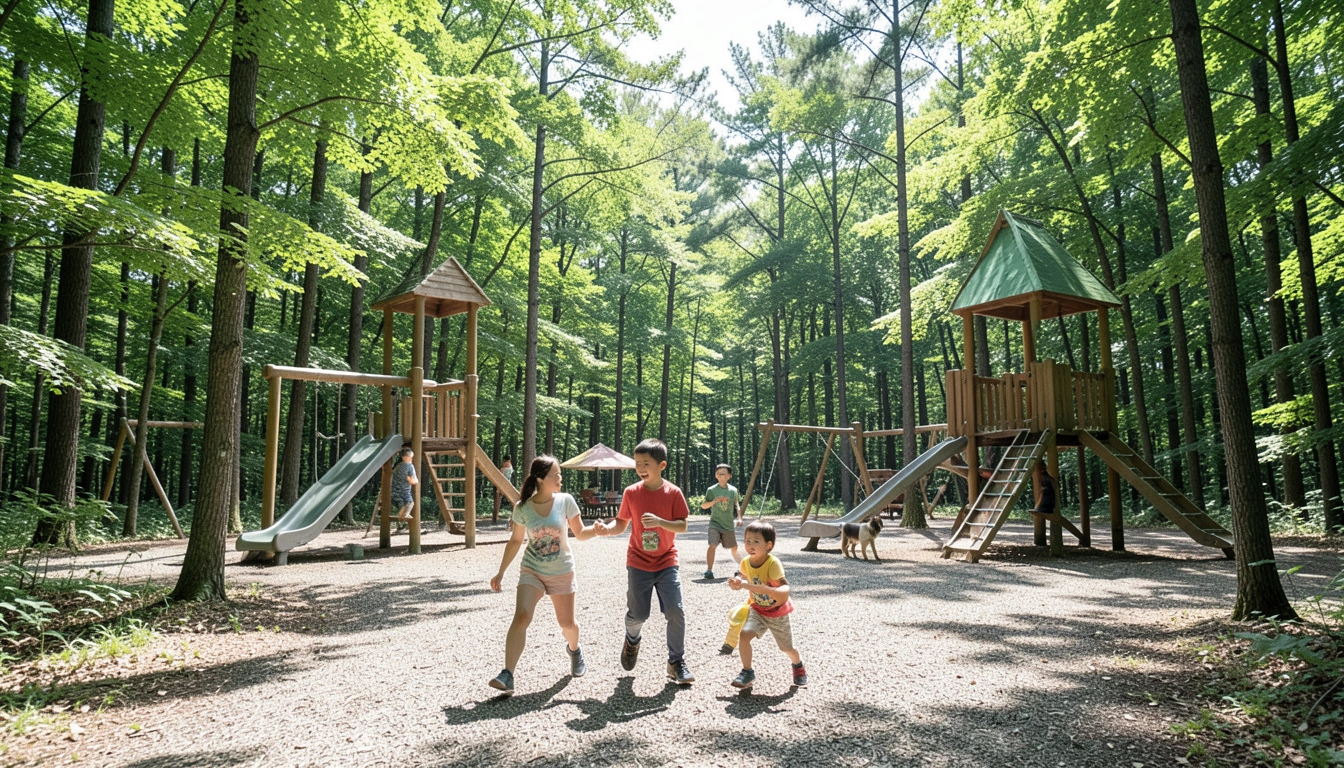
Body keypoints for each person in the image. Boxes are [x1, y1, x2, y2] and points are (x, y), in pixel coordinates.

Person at [487, 455, 600, 695]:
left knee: (567, 624)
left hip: (561, 570)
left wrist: (599, 530)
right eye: (555, 475)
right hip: (532, 570)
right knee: (522, 616)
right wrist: (501, 572)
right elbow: (516, 540)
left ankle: (575, 649)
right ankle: (507, 674)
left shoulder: (566, 501)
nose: (560, 478)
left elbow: (580, 533)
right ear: (540, 478)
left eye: (559, 474)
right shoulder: (523, 507)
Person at [595, 438, 694, 685]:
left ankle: (676, 662)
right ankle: (632, 639)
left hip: (667, 561)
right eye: (637, 463)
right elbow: (621, 523)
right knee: (639, 615)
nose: (640, 468)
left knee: (675, 611)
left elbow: (683, 525)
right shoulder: (631, 492)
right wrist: (607, 529)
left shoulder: (673, 493)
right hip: (638, 562)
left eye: (645, 463)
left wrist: (661, 522)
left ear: (662, 465)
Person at [728, 520, 807, 690]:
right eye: (747, 540)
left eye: (756, 541)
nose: (750, 545)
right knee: (744, 635)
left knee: (786, 648)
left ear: (768, 545)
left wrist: (748, 586)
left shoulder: (773, 564)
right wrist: (737, 581)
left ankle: (798, 665)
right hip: (757, 609)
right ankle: (747, 671)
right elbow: (743, 577)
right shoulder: (745, 562)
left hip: (777, 612)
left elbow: (783, 588)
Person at [700, 463, 742, 579]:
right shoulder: (711, 490)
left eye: (723, 474)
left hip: (728, 525)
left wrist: (739, 518)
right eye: (718, 474)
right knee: (712, 544)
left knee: (734, 548)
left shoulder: (733, 490)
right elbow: (704, 506)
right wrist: (714, 501)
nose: (720, 476)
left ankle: (743, 569)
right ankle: (709, 571)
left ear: (729, 476)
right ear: (715, 475)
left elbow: (736, 505)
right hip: (715, 523)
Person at [391, 446, 419, 528]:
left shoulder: (397, 465)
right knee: (410, 503)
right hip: (404, 491)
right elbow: (412, 480)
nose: (411, 460)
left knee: (402, 506)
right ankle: (405, 516)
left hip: (393, 491)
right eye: (410, 458)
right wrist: (416, 482)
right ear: (405, 457)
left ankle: (401, 523)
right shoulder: (409, 466)